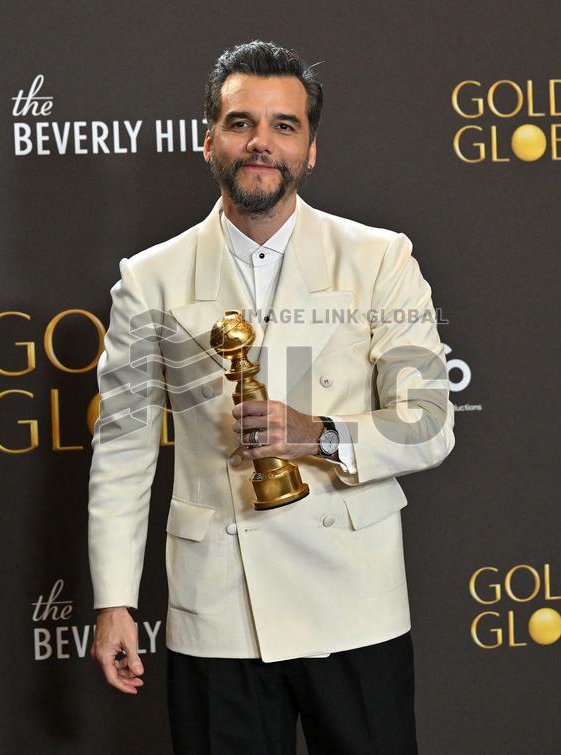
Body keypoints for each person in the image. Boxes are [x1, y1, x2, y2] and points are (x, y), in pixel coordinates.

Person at [88, 39, 455, 754]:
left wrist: (315, 434)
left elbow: (431, 423)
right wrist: (113, 601)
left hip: (355, 605)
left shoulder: (379, 259)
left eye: (284, 125)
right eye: (241, 123)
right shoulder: (151, 279)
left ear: (311, 149)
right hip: (219, 603)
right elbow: (125, 449)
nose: (262, 143)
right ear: (208, 140)